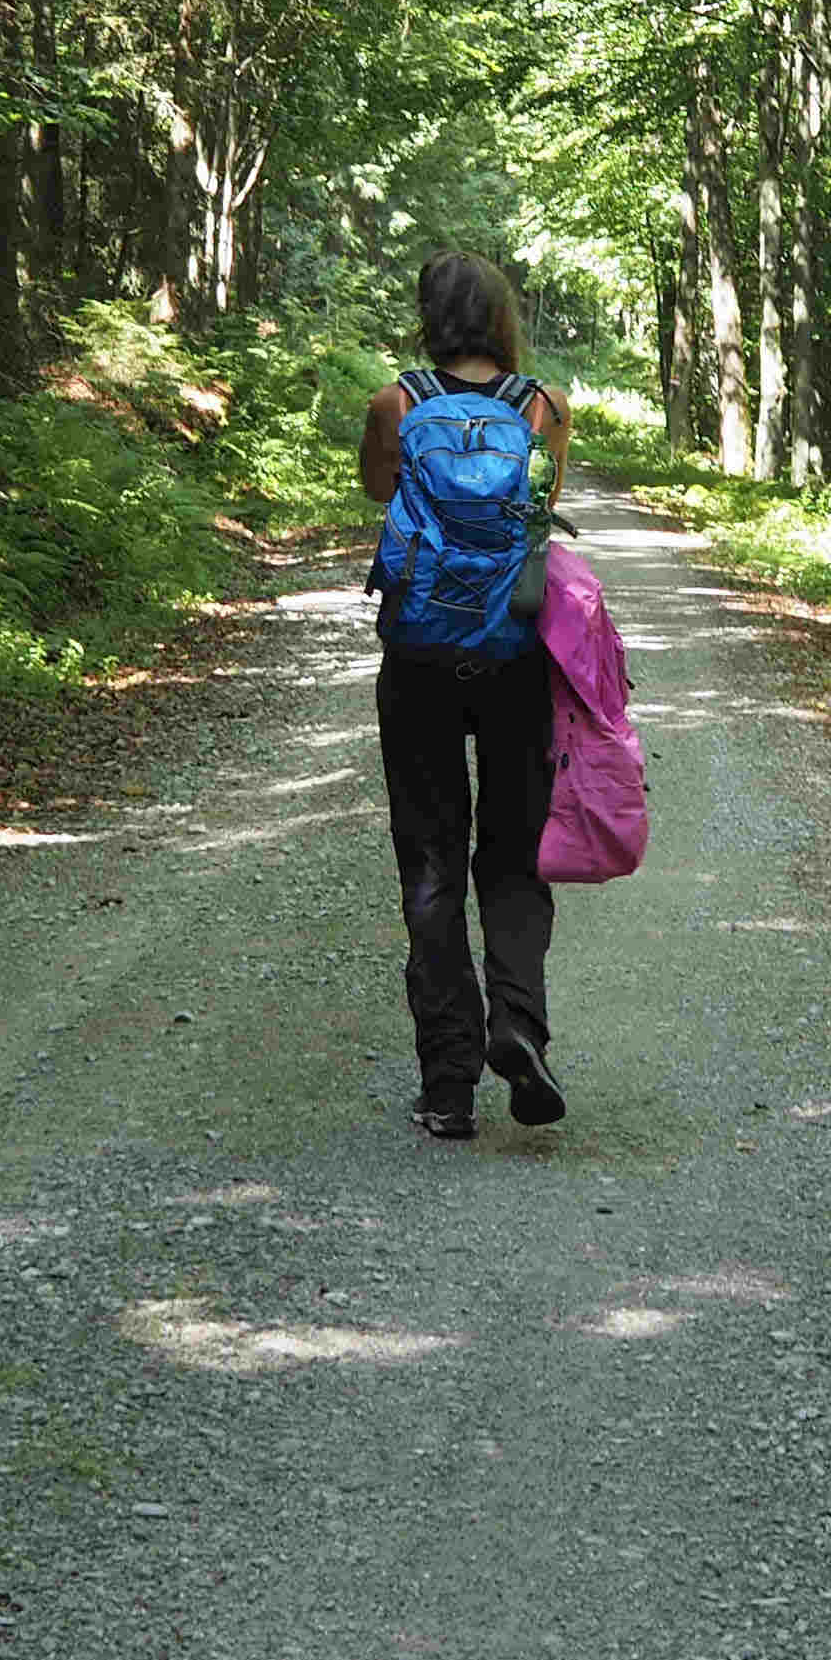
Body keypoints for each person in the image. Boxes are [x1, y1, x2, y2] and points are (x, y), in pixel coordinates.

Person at [359, 253, 574, 1141]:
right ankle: (517, 1025)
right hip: (518, 653)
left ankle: (448, 1084)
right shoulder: (543, 407)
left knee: (431, 862)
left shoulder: (395, 403)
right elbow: (542, 510)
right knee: (515, 853)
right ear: (500, 318)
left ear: (429, 317)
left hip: (417, 660)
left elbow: (377, 491)